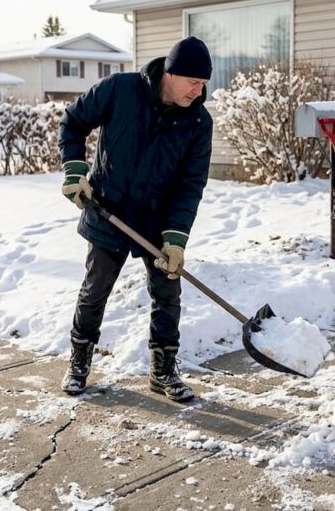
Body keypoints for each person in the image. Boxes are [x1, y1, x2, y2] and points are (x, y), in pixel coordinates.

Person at [57, 36, 214, 403]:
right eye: (193, 82)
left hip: (158, 219)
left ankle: (163, 371)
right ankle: (79, 361)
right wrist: (75, 169)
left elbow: (190, 185)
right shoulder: (119, 90)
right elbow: (74, 121)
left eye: (204, 84)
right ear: (171, 74)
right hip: (108, 210)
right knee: (95, 290)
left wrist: (175, 238)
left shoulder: (197, 122)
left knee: (167, 293)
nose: (198, 91)